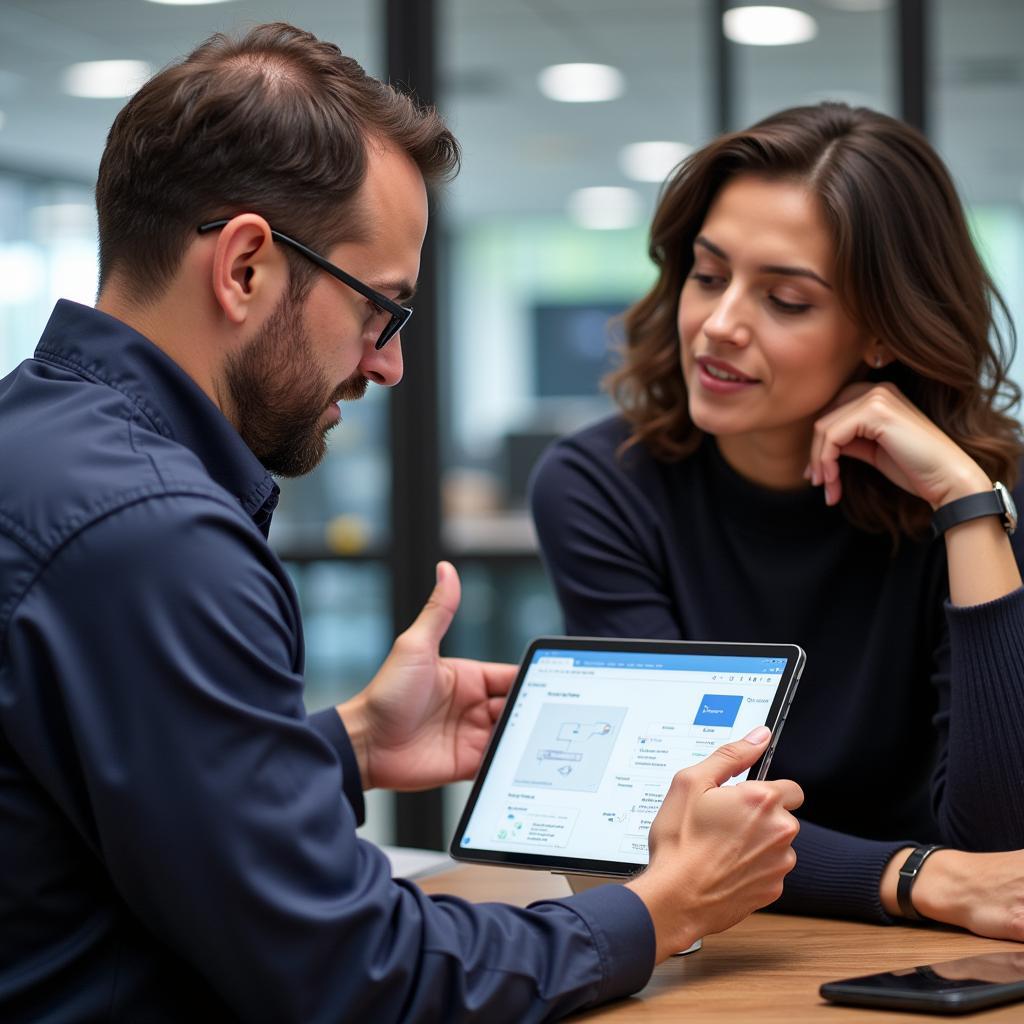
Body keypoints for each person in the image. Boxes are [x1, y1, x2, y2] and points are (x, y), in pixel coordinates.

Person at [0, 23, 804, 1024]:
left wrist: (347, 742)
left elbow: (114, 815)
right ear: (245, 266)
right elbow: (349, 974)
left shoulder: (34, 435)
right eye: (381, 307)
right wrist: (657, 906)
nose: (387, 364)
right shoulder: (154, 533)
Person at [531, 101, 1024, 942]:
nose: (719, 326)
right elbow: (674, 819)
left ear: (879, 334)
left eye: (785, 299)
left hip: (948, 966)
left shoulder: (982, 492)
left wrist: (964, 507)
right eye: (709, 274)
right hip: (723, 951)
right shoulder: (598, 486)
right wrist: (918, 875)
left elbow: (1003, 848)